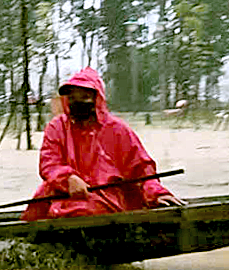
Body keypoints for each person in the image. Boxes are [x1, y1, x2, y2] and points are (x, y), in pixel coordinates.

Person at [22, 67, 181, 221]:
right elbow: (49, 163)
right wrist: (68, 178)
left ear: (96, 99)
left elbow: (142, 169)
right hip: (61, 195)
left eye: (84, 97)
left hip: (105, 199)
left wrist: (157, 193)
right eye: (72, 98)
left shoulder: (117, 130)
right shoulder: (57, 127)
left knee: (89, 210)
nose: (77, 102)